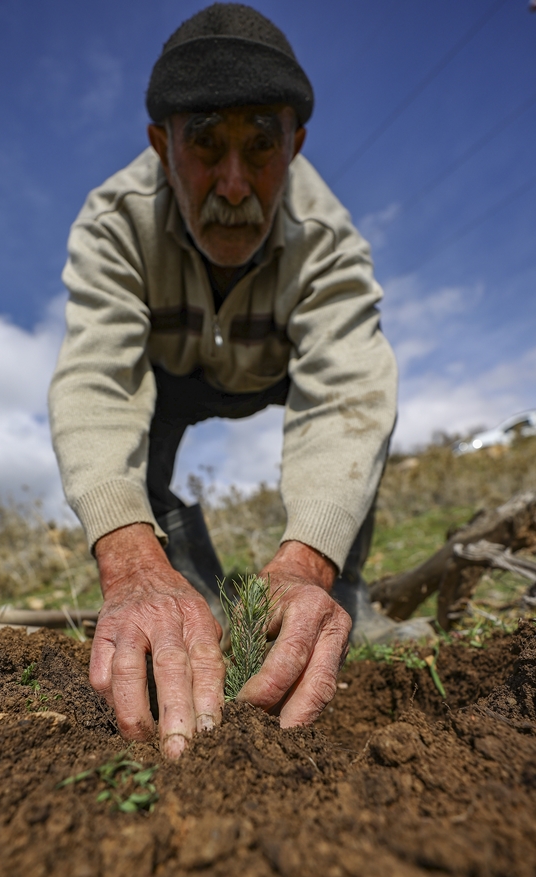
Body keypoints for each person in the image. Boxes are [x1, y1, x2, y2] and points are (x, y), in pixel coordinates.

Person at [49, 2, 431, 759]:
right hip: (172, 377)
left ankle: (330, 603)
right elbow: (96, 379)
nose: (232, 183)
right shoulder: (113, 221)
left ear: (296, 144)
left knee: (355, 439)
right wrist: (131, 566)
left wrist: (304, 563)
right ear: (162, 146)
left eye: (260, 146)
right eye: (205, 145)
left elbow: (347, 398)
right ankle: (192, 606)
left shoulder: (326, 240)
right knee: (138, 484)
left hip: (275, 371)